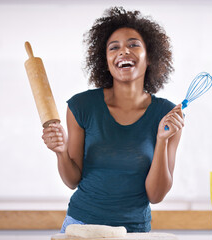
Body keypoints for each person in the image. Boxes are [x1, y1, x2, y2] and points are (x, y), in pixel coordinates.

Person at [42, 6, 184, 233]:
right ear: (105, 60)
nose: (123, 51)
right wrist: (60, 151)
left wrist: (162, 140)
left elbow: (156, 195)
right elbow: (72, 180)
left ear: (150, 57)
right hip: (81, 226)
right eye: (114, 47)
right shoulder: (81, 106)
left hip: (135, 232)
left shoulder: (167, 115)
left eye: (133, 44)